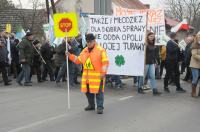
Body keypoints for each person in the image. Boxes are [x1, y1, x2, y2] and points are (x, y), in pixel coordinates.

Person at [68, 33, 109, 114]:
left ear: (94, 41)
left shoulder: (101, 50)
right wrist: (70, 56)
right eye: (87, 42)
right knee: (88, 92)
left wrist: (103, 73)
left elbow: (105, 62)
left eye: (90, 41)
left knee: (99, 92)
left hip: (98, 76)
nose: (89, 43)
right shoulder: (84, 51)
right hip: (87, 77)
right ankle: (91, 105)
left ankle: (100, 107)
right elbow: (78, 60)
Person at [190, 32, 200, 97]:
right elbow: (194, 55)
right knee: (195, 78)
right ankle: (193, 92)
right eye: (199, 37)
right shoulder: (194, 44)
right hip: (195, 65)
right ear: (196, 37)